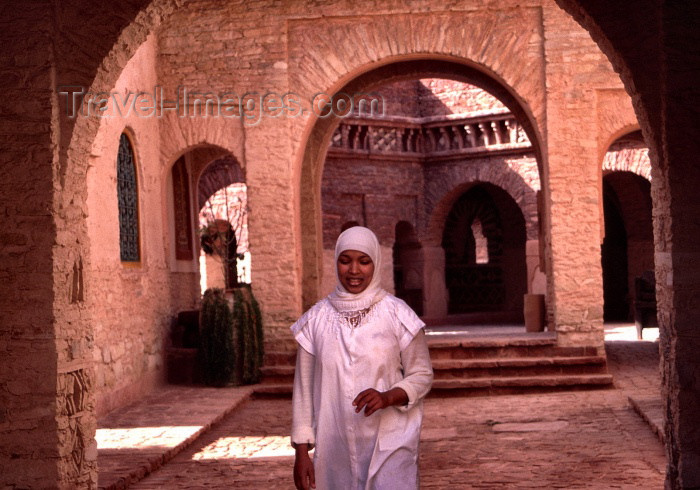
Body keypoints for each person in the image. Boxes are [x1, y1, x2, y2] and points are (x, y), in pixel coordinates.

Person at [290, 226, 433, 490]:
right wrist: (301, 453)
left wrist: (388, 396)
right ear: (336, 263)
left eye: (363, 261)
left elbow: (422, 375)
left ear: (375, 263)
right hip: (335, 449)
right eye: (345, 261)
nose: (354, 270)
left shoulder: (398, 315)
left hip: (390, 442)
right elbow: (303, 392)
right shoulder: (315, 321)